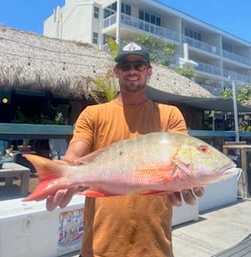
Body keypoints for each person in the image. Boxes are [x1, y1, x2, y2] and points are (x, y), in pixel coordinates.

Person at [46, 41, 204, 257]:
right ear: (116, 71)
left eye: (139, 65)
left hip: (155, 247)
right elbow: (73, 157)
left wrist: (188, 181)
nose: (132, 71)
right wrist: (61, 176)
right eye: (125, 65)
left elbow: (182, 156)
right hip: (98, 247)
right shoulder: (93, 114)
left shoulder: (170, 115)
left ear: (149, 72)